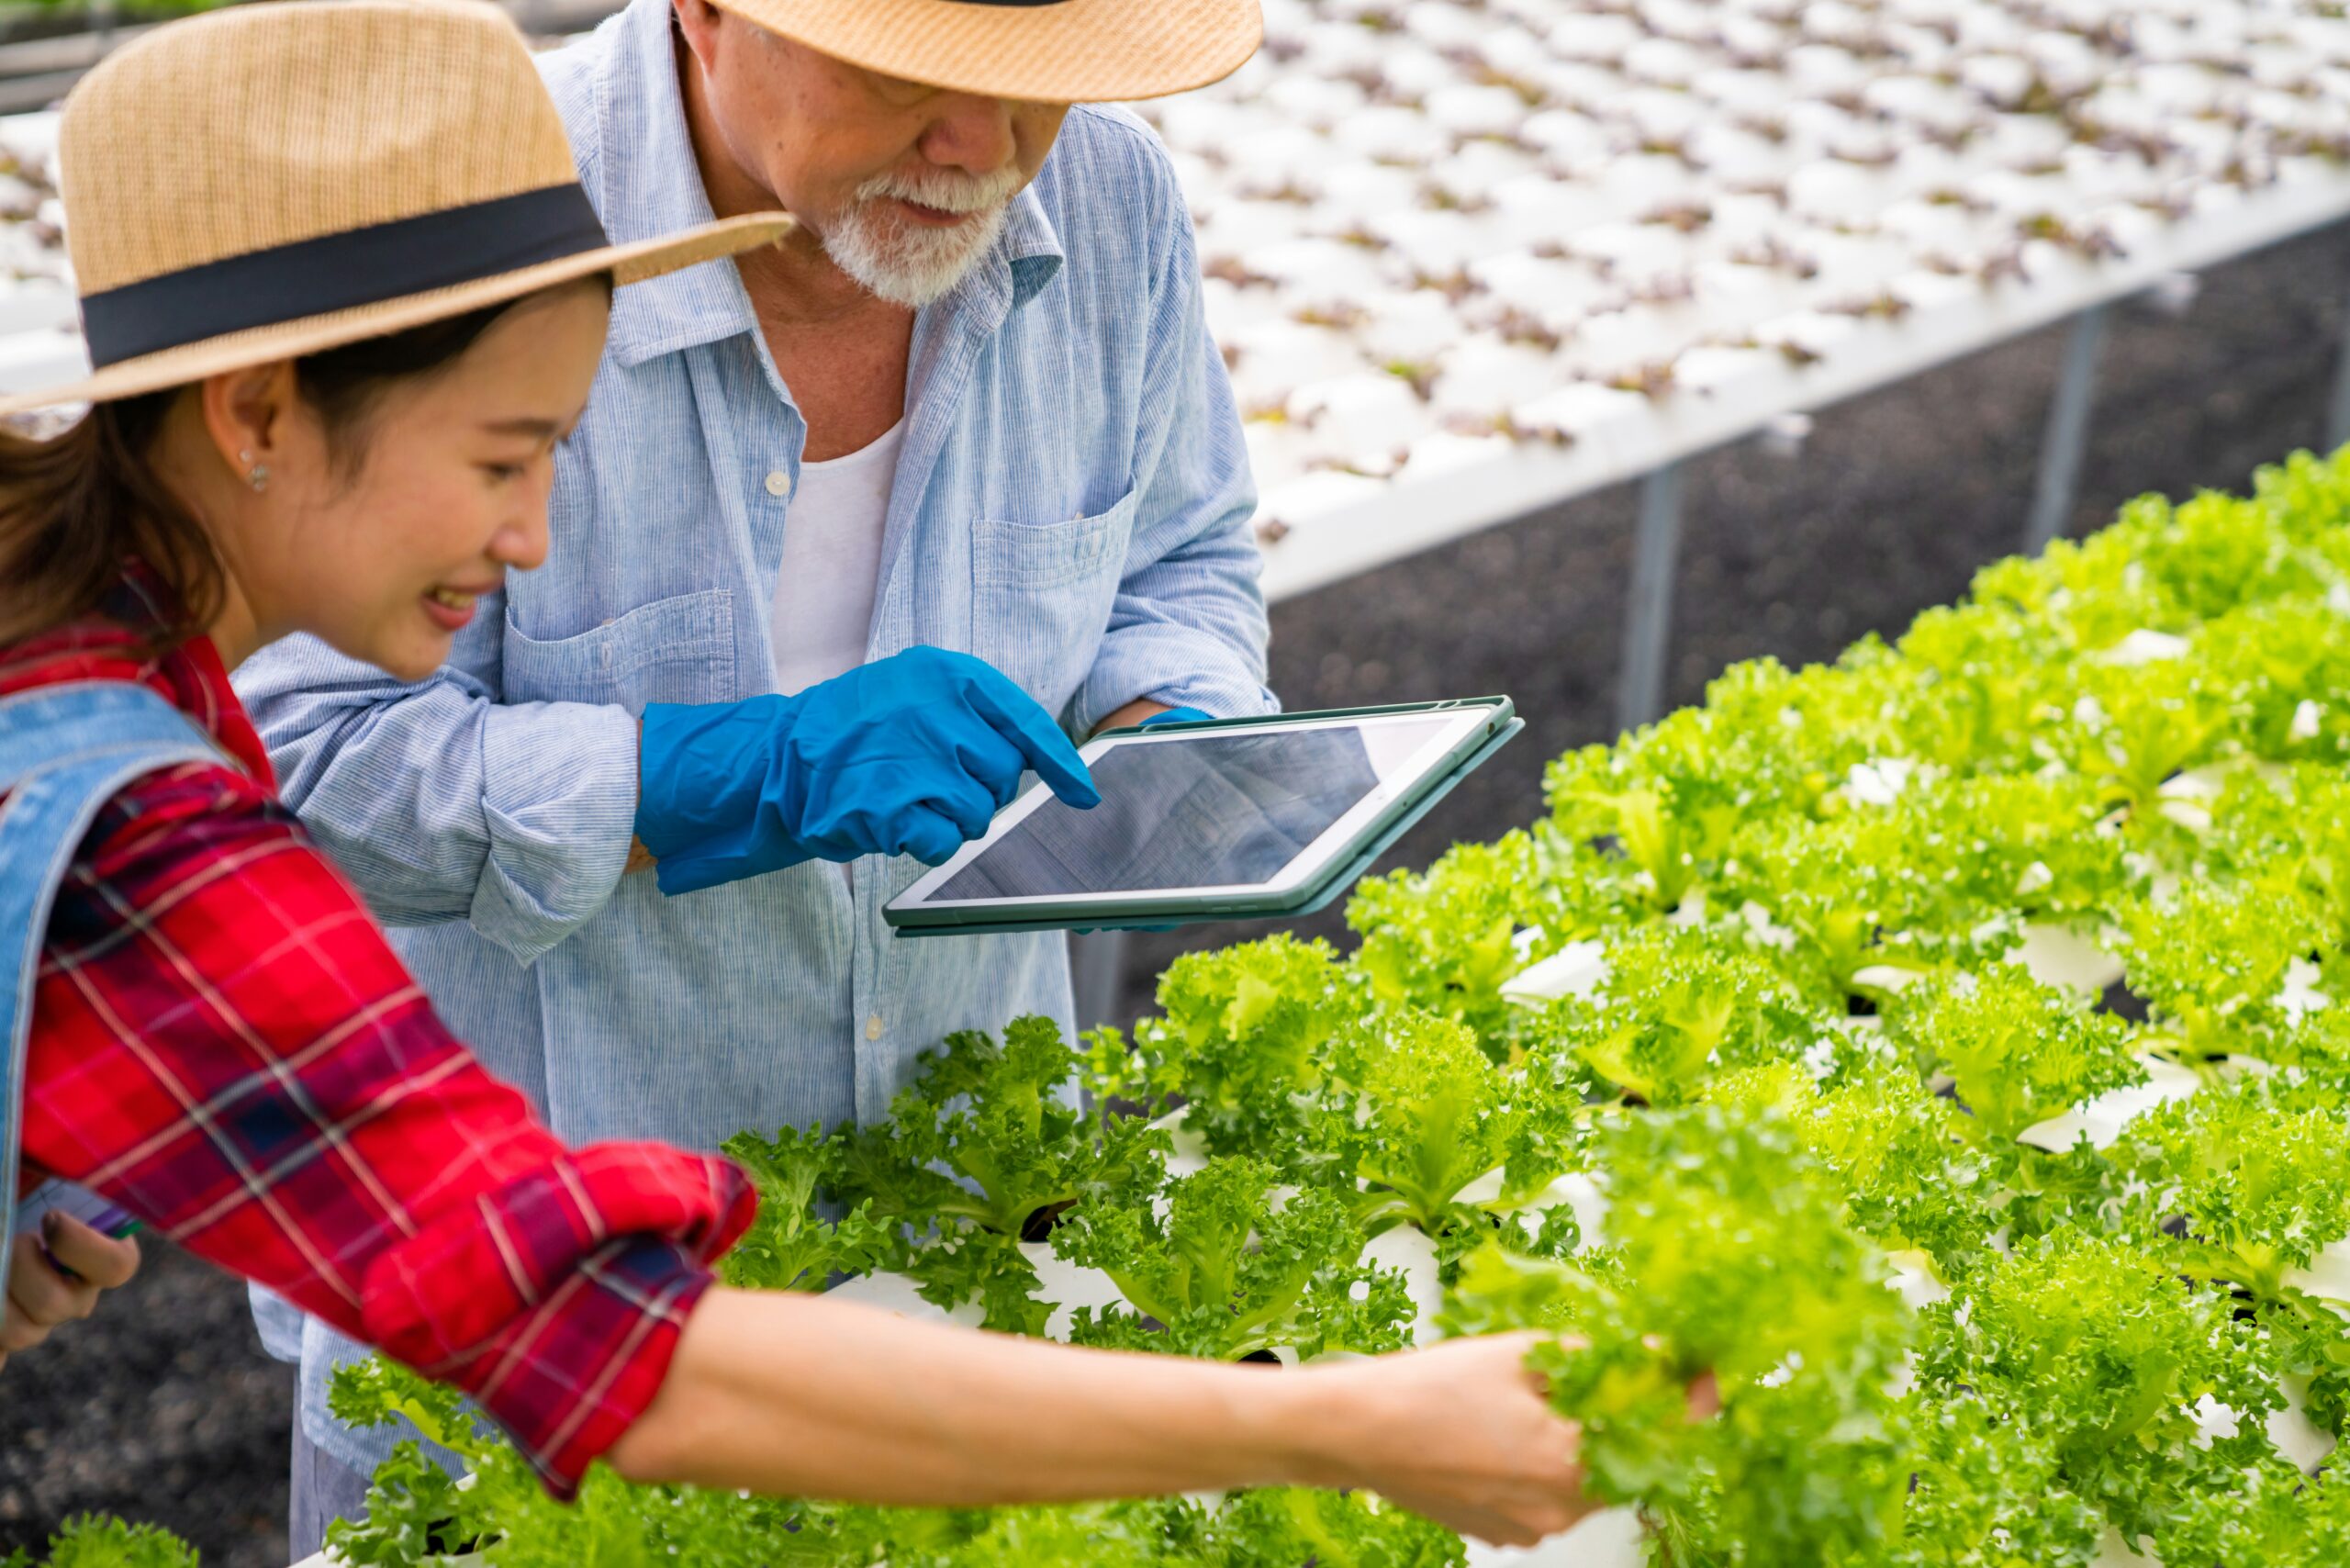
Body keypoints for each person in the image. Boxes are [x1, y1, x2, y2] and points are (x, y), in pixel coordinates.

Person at [0, 0, 1606, 1554]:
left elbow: (1182, 558)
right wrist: (1349, 1428)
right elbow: (597, 1339)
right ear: (260, 415)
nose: (537, 543)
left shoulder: (97, 727)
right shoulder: (148, 832)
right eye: (507, 456)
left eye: (564, 448)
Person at [230, 0, 1287, 1529]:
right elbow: (291, 762)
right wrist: (723, 775)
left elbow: (1178, 561)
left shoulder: (1105, 200)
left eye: (1031, 89)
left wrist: (1174, 727)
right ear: (705, 12)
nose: (980, 148)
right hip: (533, 1298)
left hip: (966, 1228)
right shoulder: (454, 215)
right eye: (907, 76)